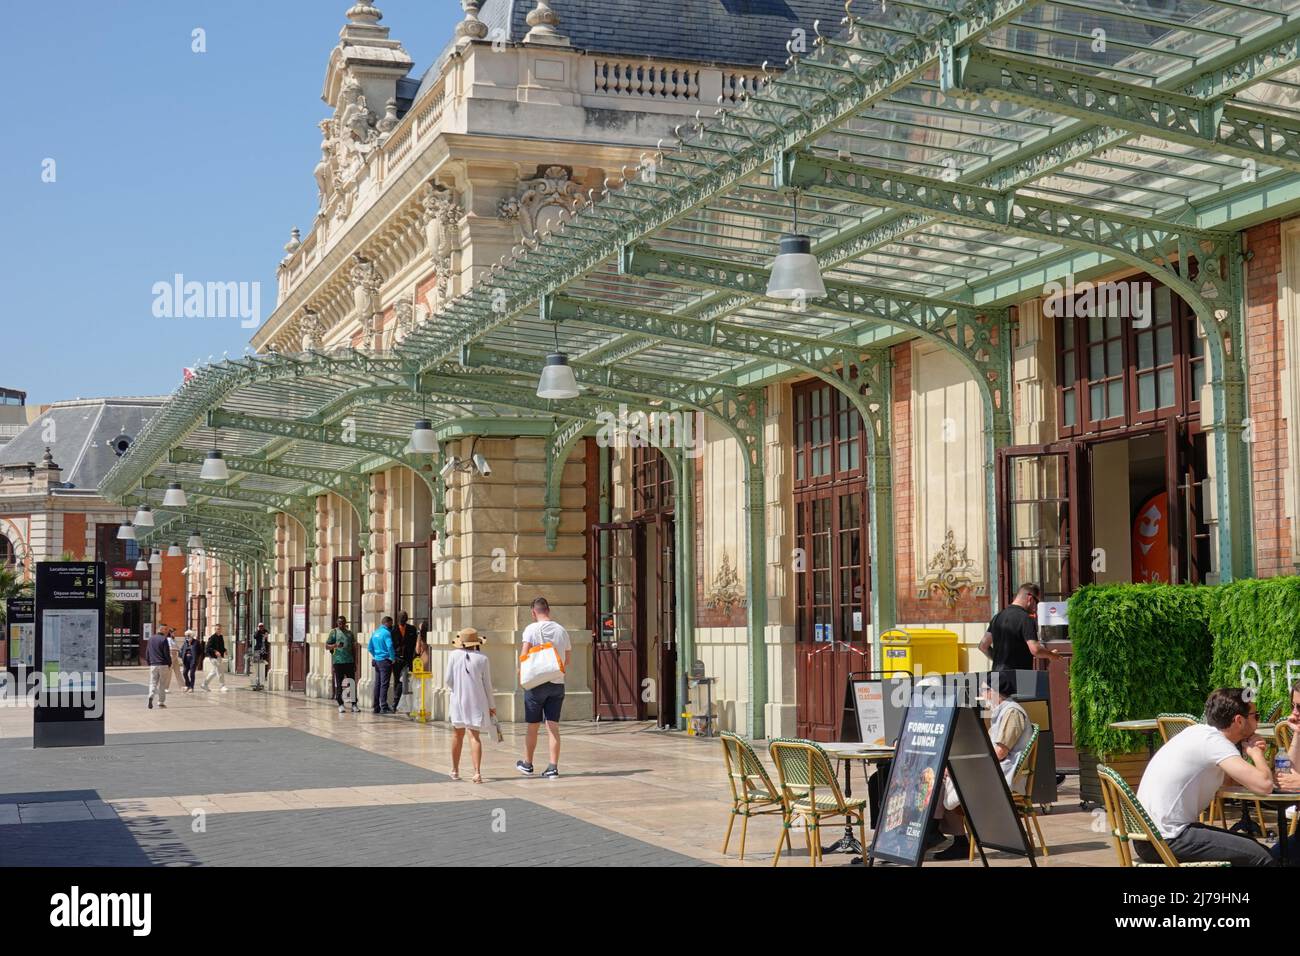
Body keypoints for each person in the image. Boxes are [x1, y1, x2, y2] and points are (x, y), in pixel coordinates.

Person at [1133, 688, 1277, 866]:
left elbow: (1227, 783)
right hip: (1167, 839)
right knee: (1262, 857)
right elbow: (1265, 786)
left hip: (1149, 837)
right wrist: (1256, 754)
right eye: (1256, 716)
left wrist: (1245, 756)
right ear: (1239, 720)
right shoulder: (1215, 743)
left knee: (1251, 847)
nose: (1258, 722)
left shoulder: (1199, 733)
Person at [931, 671, 1034, 860]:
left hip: (1005, 773)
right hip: (994, 769)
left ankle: (941, 834)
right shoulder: (1000, 711)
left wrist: (967, 764)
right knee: (945, 774)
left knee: (950, 778)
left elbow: (1000, 752)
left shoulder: (1012, 712)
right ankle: (949, 837)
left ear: (996, 691)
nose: (982, 694)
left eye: (985, 690)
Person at [516, 596, 571, 779]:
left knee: (533, 725)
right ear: (548, 610)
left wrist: (521, 673)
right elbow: (567, 659)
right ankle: (553, 767)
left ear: (534, 612)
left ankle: (527, 763)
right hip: (557, 683)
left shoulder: (531, 629)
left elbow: (524, 656)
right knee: (553, 726)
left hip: (536, 685)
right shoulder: (562, 630)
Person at [445, 627, 496, 783]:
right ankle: (477, 772)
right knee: (474, 737)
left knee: (457, 735)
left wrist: (456, 688)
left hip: (458, 700)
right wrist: (491, 705)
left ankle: (454, 770)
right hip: (476, 701)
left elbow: (448, 680)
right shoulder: (483, 659)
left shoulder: (453, 655)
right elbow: (487, 684)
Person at [978, 583, 1062, 673]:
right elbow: (1035, 649)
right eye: (1037, 602)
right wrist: (1051, 655)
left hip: (997, 677)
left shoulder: (997, 617)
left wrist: (999, 661)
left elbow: (983, 646)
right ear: (1030, 598)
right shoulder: (1026, 618)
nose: (1036, 607)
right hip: (1018, 677)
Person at [327, 615, 358, 714]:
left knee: (352, 683)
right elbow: (327, 646)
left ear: (345, 623)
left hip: (349, 661)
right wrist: (335, 645)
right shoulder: (334, 632)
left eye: (343, 623)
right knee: (339, 684)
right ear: (337, 623)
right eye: (340, 623)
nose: (341, 625)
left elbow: (353, 648)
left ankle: (354, 704)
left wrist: (355, 662)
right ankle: (340, 704)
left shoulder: (350, 634)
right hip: (338, 662)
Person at [390, 611, 418, 711]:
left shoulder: (412, 629)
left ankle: (397, 703)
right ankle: (396, 703)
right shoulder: (393, 629)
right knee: (397, 680)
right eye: (401, 617)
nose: (403, 619)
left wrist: (414, 656)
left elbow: (414, 643)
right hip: (396, 659)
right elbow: (390, 644)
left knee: (404, 680)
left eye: (405, 617)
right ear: (398, 619)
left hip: (407, 659)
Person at [368, 616, 396, 714]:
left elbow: (369, 648)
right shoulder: (386, 633)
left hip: (377, 661)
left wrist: (376, 655)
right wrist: (393, 658)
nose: (391, 626)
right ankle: (384, 706)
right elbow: (390, 646)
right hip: (385, 661)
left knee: (377, 684)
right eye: (391, 623)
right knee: (384, 684)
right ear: (387, 623)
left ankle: (376, 707)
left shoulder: (375, 633)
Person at [145, 627, 172, 710]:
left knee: (152, 682)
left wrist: (149, 662)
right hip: (163, 664)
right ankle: (161, 701)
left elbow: (147, 652)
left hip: (153, 664)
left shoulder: (151, 639)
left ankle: (151, 695)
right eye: (166, 630)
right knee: (162, 684)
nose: (167, 632)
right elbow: (166, 653)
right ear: (162, 631)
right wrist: (169, 663)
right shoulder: (164, 639)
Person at [202, 623, 229, 692]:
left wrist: (225, 650)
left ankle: (204, 684)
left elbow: (221, 647)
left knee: (214, 672)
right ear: (215, 629)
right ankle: (222, 686)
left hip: (219, 657)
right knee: (220, 671)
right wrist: (215, 651)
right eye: (217, 629)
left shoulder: (221, 637)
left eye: (220, 629)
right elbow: (208, 648)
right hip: (213, 657)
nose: (219, 630)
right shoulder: (212, 637)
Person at [249, 622, 269, 690]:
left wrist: (267, 636)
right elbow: (254, 636)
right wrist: (258, 631)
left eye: (262, 626)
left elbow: (268, 638)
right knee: (257, 664)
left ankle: (264, 676)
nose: (261, 628)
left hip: (264, 649)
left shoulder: (266, 631)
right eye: (260, 627)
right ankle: (258, 679)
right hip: (258, 649)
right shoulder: (257, 632)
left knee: (264, 663)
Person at [165, 627, 183, 693]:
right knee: (169, 673)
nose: (175, 634)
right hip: (171, 656)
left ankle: (182, 686)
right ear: (170, 633)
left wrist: (179, 650)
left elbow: (177, 647)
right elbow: (170, 648)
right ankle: (166, 687)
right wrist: (177, 649)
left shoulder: (173, 639)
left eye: (175, 633)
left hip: (175, 656)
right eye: (174, 633)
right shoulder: (168, 639)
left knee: (178, 671)